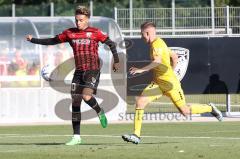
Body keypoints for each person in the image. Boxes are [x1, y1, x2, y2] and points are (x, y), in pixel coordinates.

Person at [26, 6, 120, 145]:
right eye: (76, 20)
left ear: (87, 19)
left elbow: (111, 44)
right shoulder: (70, 33)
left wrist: (116, 61)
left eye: (81, 20)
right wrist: (34, 39)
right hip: (79, 72)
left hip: (92, 70)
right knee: (76, 102)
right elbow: (52, 41)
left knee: (86, 96)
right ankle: (76, 137)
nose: (78, 23)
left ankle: (99, 111)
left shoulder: (95, 33)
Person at [122, 21, 223, 144]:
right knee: (140, 102)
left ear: (147, 33)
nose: (141, 37)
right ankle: (136, 135)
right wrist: (172, 71)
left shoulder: (156, 45)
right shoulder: (160, 42)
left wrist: (141, 70)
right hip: (158, 83)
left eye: (142, 34)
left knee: (185, 111)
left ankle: (210, 107)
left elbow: (157, 61)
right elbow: (174, 56)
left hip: (171, 85)